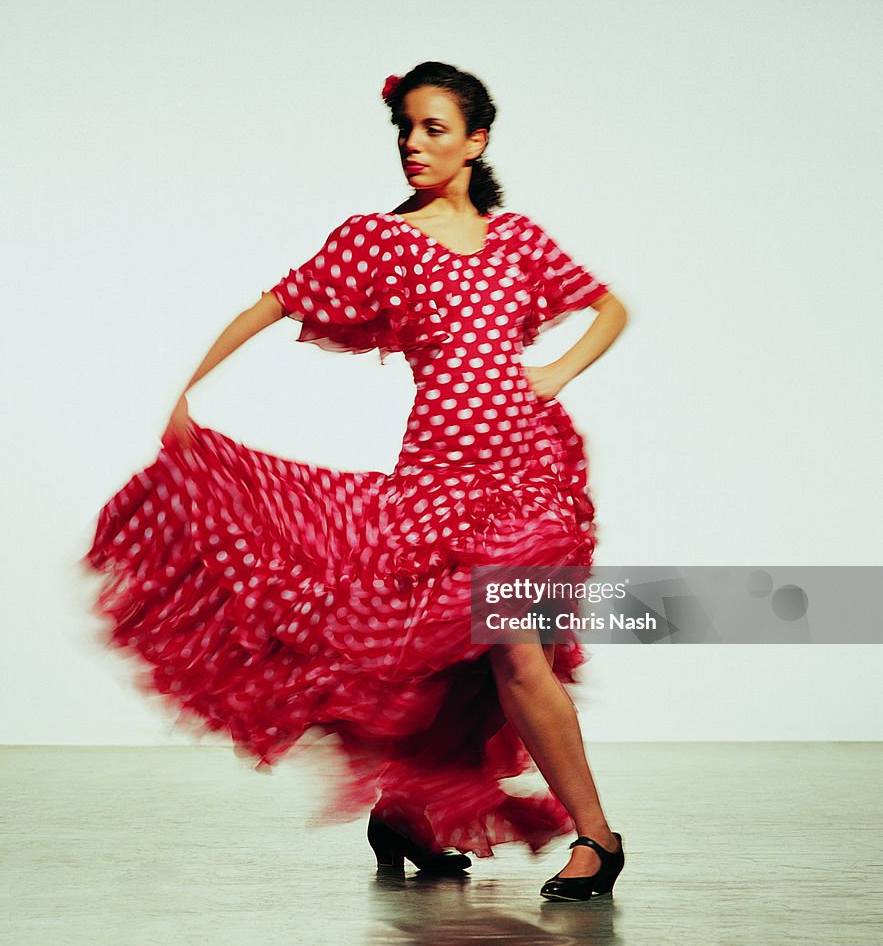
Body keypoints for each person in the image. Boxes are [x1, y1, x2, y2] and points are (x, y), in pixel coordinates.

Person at [82, 60, 629, 902]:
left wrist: (552, 372)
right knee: (445, 661)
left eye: (433, 128)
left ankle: (598, 837)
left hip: (527, 473)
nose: (413, 144)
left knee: (516, 650)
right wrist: (188, 389)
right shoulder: (376, 240)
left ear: (475, 142)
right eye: (403, 128)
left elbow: (609, 309)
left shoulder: (517, 241)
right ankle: (404, 816)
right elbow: (273, 302)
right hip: (434, 484)